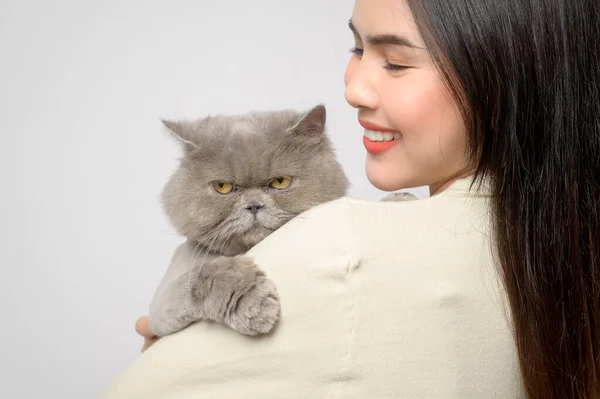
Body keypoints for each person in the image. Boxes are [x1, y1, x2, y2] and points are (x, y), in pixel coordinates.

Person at [103, 0, 600, 398]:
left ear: (506, 75)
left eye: (397, 62)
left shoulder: (339, 248)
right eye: (356, 48)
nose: (353, 89)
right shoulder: (566, 247)